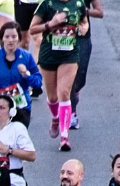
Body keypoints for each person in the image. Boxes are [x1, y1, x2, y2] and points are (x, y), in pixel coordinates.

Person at [27, 0, 84, 149]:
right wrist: (51, 24)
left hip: (70, 54)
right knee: (53, 97)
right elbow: (32, 29)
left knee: (64, 93)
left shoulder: (78, 4)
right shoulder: (47, 4)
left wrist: (84, 27)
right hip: (49, 54)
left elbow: (84, 21)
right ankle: (55, 118)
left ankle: (64, 136)